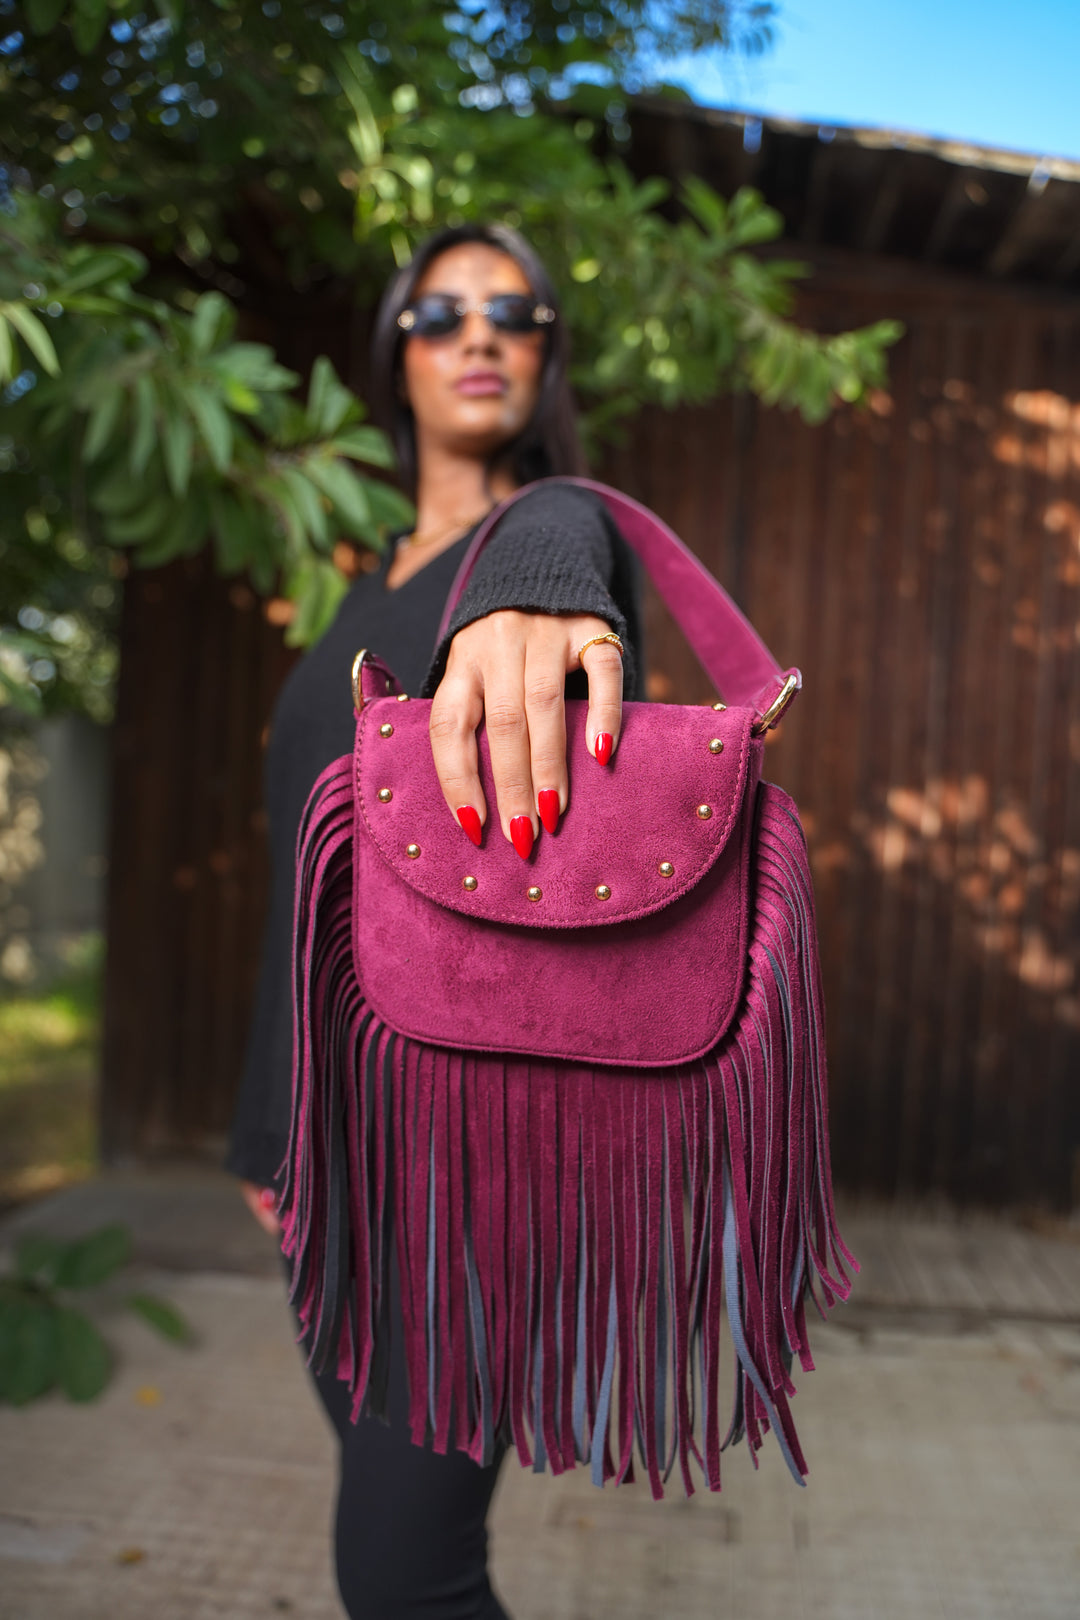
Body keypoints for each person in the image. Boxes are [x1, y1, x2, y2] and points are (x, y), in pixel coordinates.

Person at [226, 222, 645, 1620]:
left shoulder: (555, 532)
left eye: (513, 313)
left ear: (545, 357)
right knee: (398, 1542)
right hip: (317, 1160)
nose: (478, 335)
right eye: (440, 312)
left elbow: (564, 538)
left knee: (406, 1579)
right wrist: (267, 1135)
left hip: (468, 1166)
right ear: (395, 353)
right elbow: (304, 889)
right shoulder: (365, 586)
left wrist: (539, 582)